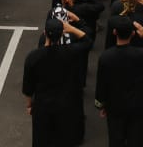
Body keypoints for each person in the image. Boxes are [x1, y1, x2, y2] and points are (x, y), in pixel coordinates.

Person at [94, 16, 143, 147]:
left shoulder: (106, 57)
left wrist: (101, 104)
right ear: (133, 33)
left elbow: (101, 83)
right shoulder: (142, 54)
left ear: (114, 32)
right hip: (138, 105)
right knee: (138, 139)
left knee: (116, 139)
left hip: (115, 105)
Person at [21, 17, 91, 147]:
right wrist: (72, 28)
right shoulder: (71, 52)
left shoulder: (33, 57)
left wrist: (30, 105)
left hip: (43, 106)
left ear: (45, 33)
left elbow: (28, 87)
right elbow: (87, 41)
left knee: (41, 139)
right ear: (62, 34)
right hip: (66, 105)